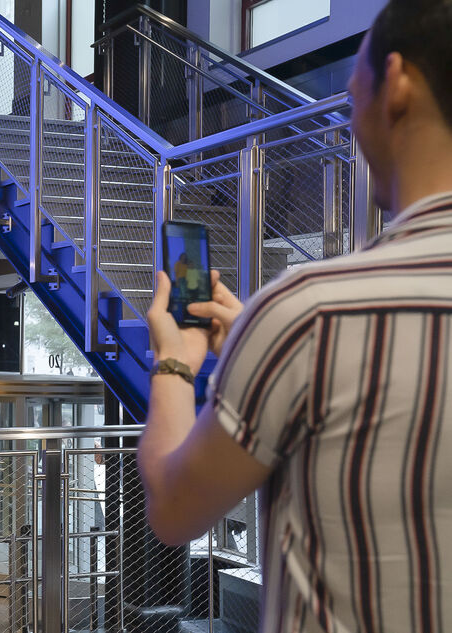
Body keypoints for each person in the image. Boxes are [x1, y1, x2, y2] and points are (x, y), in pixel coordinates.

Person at [137, 1, 452, 631]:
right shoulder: (298, 322)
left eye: (353, 83)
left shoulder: (308, 318)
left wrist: (175, 362)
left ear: (395, 85)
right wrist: (263, 335)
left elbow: (174, 508)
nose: (348, 104)